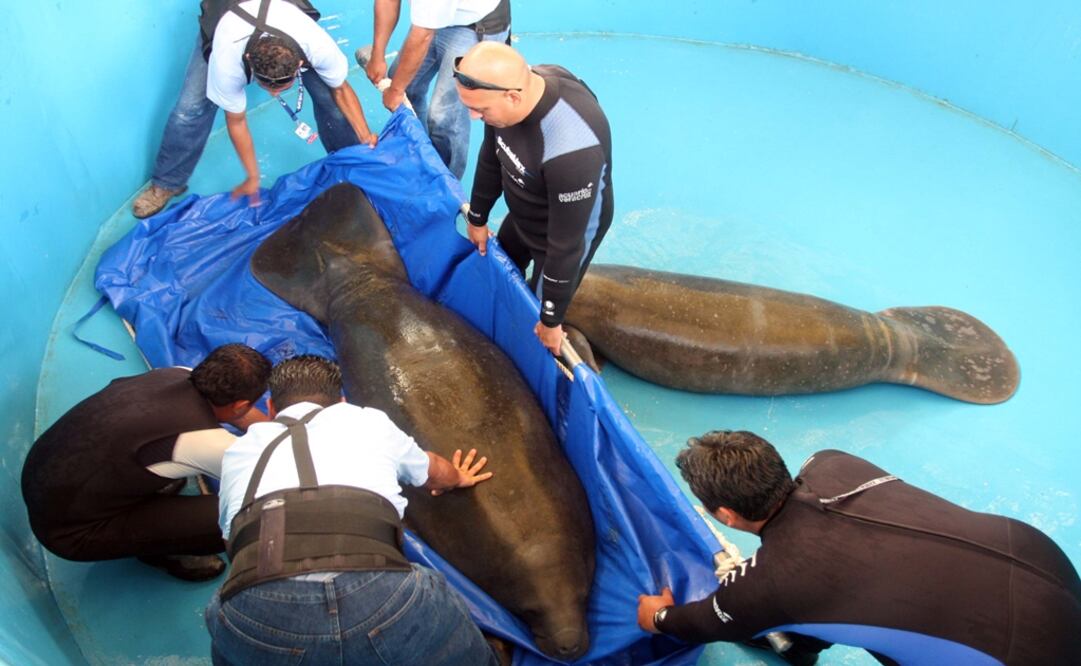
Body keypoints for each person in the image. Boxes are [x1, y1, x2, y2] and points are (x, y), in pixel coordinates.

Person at [636, 431, 1081, 665]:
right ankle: (799, 641)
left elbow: (705, 623)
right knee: (869, 596)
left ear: (726, 516)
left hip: (1010, 655)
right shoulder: (833, 462)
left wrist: (657, 618)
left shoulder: (771, 582)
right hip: (1045, 567)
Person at [206, 355, 499, 665]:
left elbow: (234, 542)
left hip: (258, 608)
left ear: (271, 410)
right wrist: (458, 477)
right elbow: (435, 472)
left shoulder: (238, 452)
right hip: (383, 595)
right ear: (342, 401)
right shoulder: (367, 422)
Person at [21, 343, 272, 581]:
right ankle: (161, 551)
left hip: (46, 482)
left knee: (158, 461)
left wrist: (270, 427)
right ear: (240, 404)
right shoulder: (205, 443)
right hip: (71, 534)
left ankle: (143, 511)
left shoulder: (176, 374)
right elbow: (270, 474)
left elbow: (239, 414)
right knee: (245, 516)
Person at [132, 0, 378, 219]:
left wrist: (365, 135)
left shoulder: (316, 45)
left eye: (282, 86)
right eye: (266, 86)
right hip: (226, 14)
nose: (274, 93)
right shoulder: (227, 56)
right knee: (189, 109)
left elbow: (342, 90)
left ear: (300, 64)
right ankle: (167, 183)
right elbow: (236, 121)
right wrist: (252, 176)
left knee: (330, 99)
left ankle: (350, 162)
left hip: (284, 16)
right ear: (249, 59)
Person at [455, 42, 614, 355]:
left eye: (481, 110)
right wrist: (478, 218)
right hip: (526, 204)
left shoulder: (572, 150)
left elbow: (566, 246)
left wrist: (552, 319)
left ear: (513, 96)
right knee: (501, 270)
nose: (473, 117)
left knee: (536, 323)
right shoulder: (503, 103)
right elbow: (492, 156)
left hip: (563, 232)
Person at [362, 0, 511, 178]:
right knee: (405, 85)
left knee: (445, 117)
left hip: (476, 24)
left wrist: (395, 91)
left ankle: (443, 182)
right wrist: (377, 55)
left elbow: (422, 34)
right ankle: (419, 153)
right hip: (438, 19)